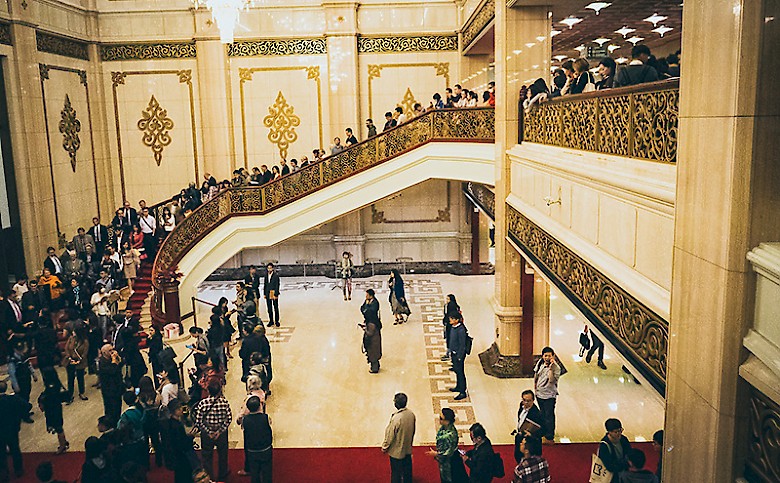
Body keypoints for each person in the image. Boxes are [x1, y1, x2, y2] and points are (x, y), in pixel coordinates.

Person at [194, 380, 232, 481]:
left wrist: (208, 431)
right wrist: (219, 431)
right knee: (223, 455)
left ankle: (209, 478)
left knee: (207, 457)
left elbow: (198, 421)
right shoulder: (224, 402)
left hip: (207, 434)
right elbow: (228, 419)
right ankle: (222, 476)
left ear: (208, 391)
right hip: (221, 434)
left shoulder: (203, 403)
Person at [381, 392, 416, 483]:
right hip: (407, 448)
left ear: (396, 403)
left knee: (396, 473)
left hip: (396, 451)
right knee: (407, 470)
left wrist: (385, 446)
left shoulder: (397, 418)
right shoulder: (411, 414)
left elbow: (390, 434)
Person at [0, 380, 31, 479]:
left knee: (1, 452)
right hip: (12, 429)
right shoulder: (13, 399)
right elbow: (27, 406)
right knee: (15, 449)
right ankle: (18, 469)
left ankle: (4, 472)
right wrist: (19, 416)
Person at [162, 398, 198, 483]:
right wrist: (191, 437)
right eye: (179, 408)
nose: (182, 410)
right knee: (185, 475)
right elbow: (182, 443)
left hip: (176, 455)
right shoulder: (177, 426)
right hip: (181, 455)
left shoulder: (170, 422)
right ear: (174, 411)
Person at [428, 407, 467, 483]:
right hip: (447, 458)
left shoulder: (450, 435)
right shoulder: (445, 428)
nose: (439, 420)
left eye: (441, 418)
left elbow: (448, 453)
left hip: (451, 462)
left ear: (447, 421)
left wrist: (436, 454)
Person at [241, 395, 273, 483]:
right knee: (267, 471)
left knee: (254, 472)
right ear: (260, 406)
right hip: (265, 449)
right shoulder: (266, 417)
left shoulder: (245, 420)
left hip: (252, 450)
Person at [534, 347, 560, 444]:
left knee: (549, 415)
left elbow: (552, 380)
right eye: (545, 355)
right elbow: (536, 375)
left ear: (553, 356)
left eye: (549, 355)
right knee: (542, 414)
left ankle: (550, 435)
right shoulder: (540, 363)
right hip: (539, 394)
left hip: (549, 396)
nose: (547, 358)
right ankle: (543, 431)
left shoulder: (556, 368)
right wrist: (535, 387)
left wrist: (551, 369)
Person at [117, 391, 149, 469]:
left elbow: (120, 428)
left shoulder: (126, 415)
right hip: (143, 436)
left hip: (132, 440)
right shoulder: (143, 407)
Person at [512, 390, 543, 463]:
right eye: (524, 400)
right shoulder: (521, 405)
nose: (526, 403)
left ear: (533, 401)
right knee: (518, 455)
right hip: (520, 436)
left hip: (531, 441)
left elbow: (543, 430)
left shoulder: (537, 414)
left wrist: (531, 434)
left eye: (528, 401)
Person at [598, 418, 632, 483]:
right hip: (612, 477)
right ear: (609, 432)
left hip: (624, 474)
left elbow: (629, 454)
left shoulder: (624, 439)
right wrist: (624, 464)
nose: (619, 433)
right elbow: (609, 465)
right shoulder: (604, 445)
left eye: (620, 430)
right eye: (616, 432)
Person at [38, 383, 69, 454]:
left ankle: (62, 446)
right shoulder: (56, 390)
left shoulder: (44, 396)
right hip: (57, 411)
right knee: (60, 428)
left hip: (52, 413)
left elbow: (42, 408)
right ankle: (63, 442)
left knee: (59, 429)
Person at [98, 344, 124, 425]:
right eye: (110, 351)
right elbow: (112, 371)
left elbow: (120, 366)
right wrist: (113, 362)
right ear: (104, 353)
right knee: (111, 410)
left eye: (113, 349)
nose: (112, 352)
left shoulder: (114, 359)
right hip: (109, 391)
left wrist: (118, 359)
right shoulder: (102, 362)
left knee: (118, 408)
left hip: (117, 388)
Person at [64, 327, 90, 403]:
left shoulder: (85, 341)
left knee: (80, 378)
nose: (73, 333)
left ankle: (81, 392)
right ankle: (70, 395)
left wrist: (80, 360)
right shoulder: (71, 338)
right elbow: (66, 348)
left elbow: (85, 353)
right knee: (70, 378)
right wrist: (69, 357)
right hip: (70, 361)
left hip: (80, 362)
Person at [448, 312, 468, 400]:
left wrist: (459, 356)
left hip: (458, 354)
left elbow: (462, 345)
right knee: (457, 370)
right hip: (453, 353)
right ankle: (458, 386)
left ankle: (463, 391)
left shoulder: (461, 330)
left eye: (452, 319)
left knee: (460, 372)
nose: (450, 320)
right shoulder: (453, 327)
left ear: (456, 320)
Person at [360, 301, 382, 374]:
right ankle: (376, 366)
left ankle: (374, 369)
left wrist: (365, 329)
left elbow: (370, 333)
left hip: (373, 343)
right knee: (374, 356)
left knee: (373, 356)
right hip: (375, 342)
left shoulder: (371, 324)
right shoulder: (374, 322)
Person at [441, 294, 460, 361]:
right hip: (448, 326)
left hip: (449, 327)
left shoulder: (450, 306)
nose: (447, 301)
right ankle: (449, 354)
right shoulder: (452, 306)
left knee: (450, 340)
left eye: (448, 299)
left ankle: (449, 354)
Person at [263, 263, 280, 327]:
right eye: (268, 268)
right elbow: (265, 285)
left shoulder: (276, 276)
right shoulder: (266, 275)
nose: (269, 269)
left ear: (272, 268)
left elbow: (277, 285)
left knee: (275, 307)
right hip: (268, 293)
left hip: (273, 292)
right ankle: (271, 321)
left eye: (270, 268)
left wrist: (276, 294)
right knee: (269, 308)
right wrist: (264, 293)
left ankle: (277, 321)